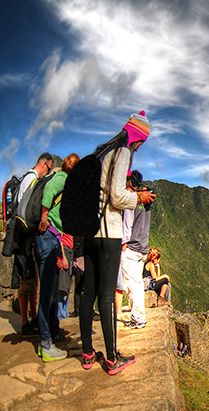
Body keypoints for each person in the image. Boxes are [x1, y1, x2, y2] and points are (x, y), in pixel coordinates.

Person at [78, 111, 156, 375]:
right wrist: (140, 199)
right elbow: (116, 196)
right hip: (108, 231)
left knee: (88, 292)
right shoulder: (122, 152)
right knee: (108, 294)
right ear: (139, 139)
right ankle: (112, 358)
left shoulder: (102, 153)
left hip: (89, 231)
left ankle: (88, 353)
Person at [34, 153, 79, 361]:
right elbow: (49, 194)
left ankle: (51, 334)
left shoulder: (65, 180)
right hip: (47, 238)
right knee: (46, 295)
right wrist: (44, 217)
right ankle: (46, 344)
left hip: (53, 238)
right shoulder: (61, 179)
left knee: (50, 292)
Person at [12, 153, 55, 336]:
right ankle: (24, 322)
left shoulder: (29, 178)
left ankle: (34, 317)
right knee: (25, 282)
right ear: (44, 164)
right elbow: (24, 211)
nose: (48, 172)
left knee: (32, 281)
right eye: (49, 168)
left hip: (27, 238)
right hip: (23, 238)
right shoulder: (30, 180)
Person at [119, 170, 152, 329]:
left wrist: (123, 243)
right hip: (143, 248)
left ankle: (138, 318)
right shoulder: (147, 201)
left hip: (131, 247)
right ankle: (138, 316)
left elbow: (127, 223)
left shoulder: (132, 200)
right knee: (137, 282)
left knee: (133, 284)